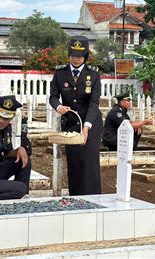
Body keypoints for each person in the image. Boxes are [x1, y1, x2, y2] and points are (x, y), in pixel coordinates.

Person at [50, 35, 103, 196]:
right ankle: (76, 196)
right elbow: (53, 97)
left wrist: (86, 126)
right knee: (74, 162)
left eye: (79, 56)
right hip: (71, 124)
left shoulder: (93, 75)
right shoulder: (60, 73)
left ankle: (93, 197)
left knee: (89, 161)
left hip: (91, 124)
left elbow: (94, 103)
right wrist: (58, 106)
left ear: (85, 56)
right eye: (73, 55)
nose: (76, 59)